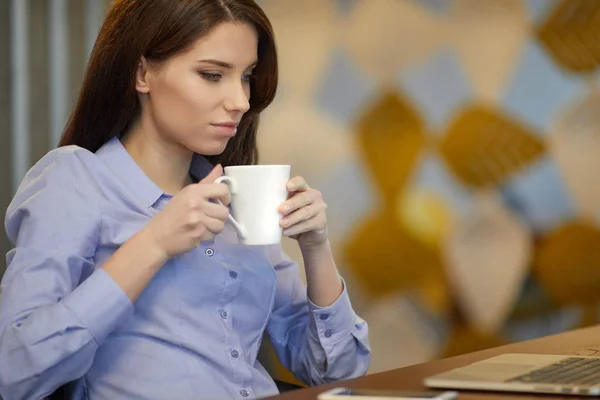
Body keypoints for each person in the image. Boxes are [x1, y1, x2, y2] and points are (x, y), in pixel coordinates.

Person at [0, 1, 370, 399]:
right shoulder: (75, 181)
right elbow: (15, 373)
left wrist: (317, 248)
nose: (241, 101)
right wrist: (154, 243)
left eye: (246, 77)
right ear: (143, 73)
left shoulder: (235, 200)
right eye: (212, 75)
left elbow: (339, 371)